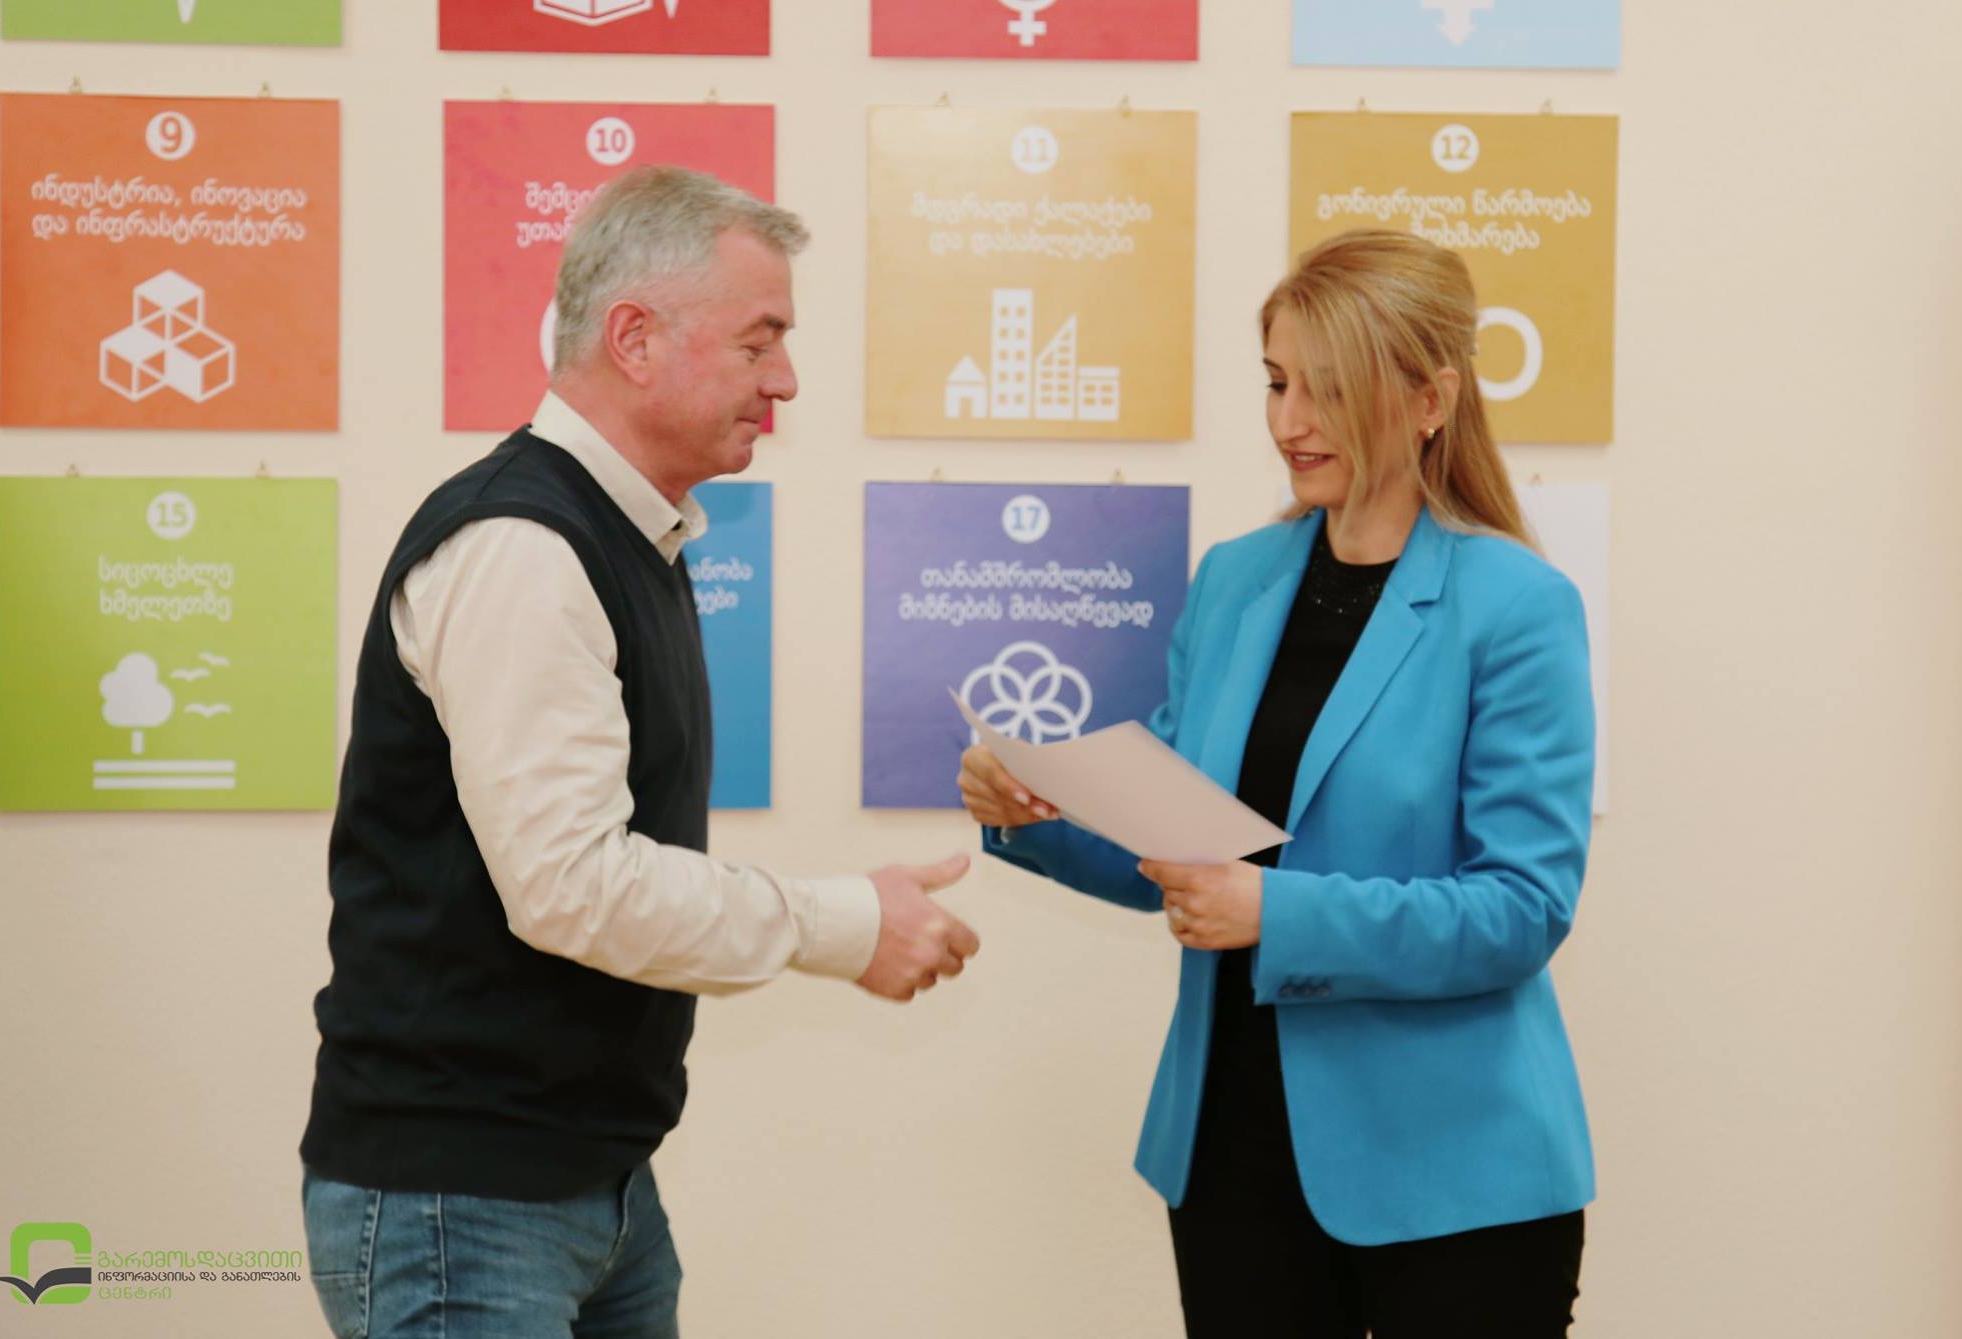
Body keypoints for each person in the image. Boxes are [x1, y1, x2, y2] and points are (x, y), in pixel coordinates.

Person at [301, 165, 979, 1339]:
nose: (785, 381)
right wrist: (842, 923)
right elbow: (571, 887)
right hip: (463, 1203)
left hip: (588, 1184)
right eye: (759, 341)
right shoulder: (523, 547)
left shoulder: (625, 536)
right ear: (633, 338)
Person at [960, 229, 1597, 1337]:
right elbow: (1174, 836)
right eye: (1275, 382)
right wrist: (1033, 809)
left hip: (1456, 1180)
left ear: (1431, 399)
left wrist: (1276, 911)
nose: (1289, 421)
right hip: (1233, 1162)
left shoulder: (1516, 606)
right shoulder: (1234, 580)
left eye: (1328, 389)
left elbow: (1521, 908)